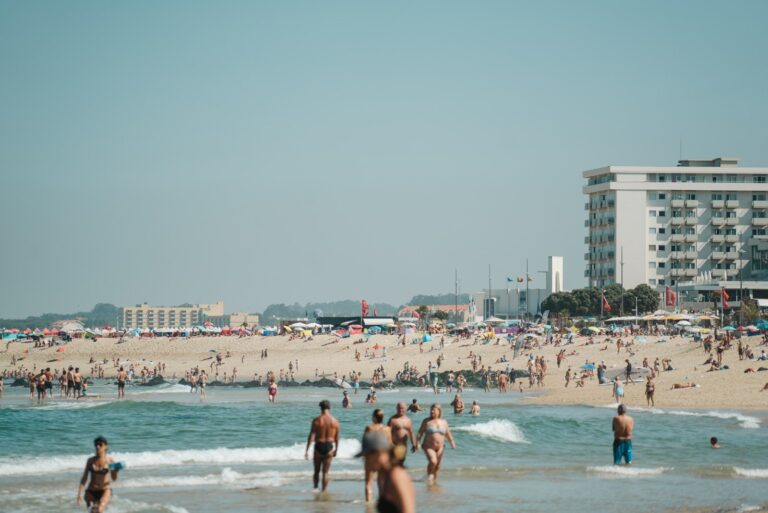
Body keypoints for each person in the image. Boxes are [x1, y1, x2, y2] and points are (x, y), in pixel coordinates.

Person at [358, 430, 416, 513]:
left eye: (367, 457)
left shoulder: (397, 475)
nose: (366, 462)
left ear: (379, 452)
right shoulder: (387, 475)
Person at [77, 436, 120, 513]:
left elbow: (114, 478)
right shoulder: (90, 461)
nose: (97, 446)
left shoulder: (110, 460)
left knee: (100, 509)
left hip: (105, 490)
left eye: (100, 444)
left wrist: (116, 471)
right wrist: (79, 494)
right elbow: (84, 478)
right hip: (91, 491)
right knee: (92, 511)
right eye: (96, 445)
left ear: (106, 446)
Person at [305, 400, 340, 492]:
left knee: (316, 471)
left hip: (319, 446)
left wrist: (307, 450)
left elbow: (311, 436)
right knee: (325, 472)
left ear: (320, 408)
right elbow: (337, 438)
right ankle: (324, 491)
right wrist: (336, 450)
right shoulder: (335, 421)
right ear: (329, 407)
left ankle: (315, 488)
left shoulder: (317, 420)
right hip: (329, 447)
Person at [416, 404, 456, 484]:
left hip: (440, 447)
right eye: (431, 409)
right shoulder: (426, 421)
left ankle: (433, 483)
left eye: (434, 410)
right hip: (428, 446)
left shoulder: (444, 422)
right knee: (433, 461)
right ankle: (429, 475)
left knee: (437, 466)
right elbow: (420, 433)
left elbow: (448, 433)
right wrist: (417, 443)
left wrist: (452, 442)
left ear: (439, 411)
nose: (432, 411)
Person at [363, 409, 392, 502]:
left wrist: (364, 456)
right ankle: (382, 501)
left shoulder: (369, 428)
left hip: (371, 457)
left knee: (368, 482)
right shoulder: (387, 429)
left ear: (374, 417)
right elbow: (390, 445)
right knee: (381, 482)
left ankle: (368, 502)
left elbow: (365, 443)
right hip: (382, 457)